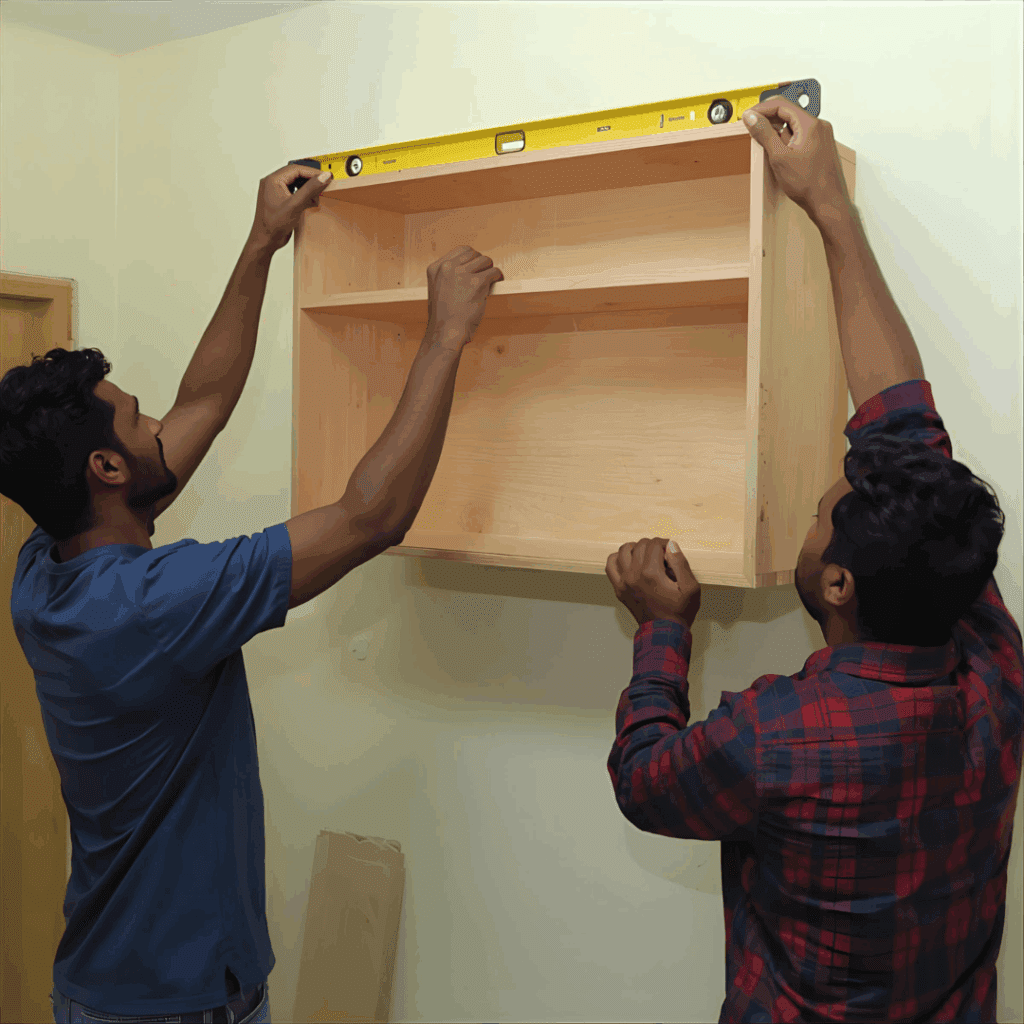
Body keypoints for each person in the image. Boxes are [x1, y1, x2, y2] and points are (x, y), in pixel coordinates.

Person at [1, 96, 1017, 1024]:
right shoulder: (992, 670)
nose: (158, 428)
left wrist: (263, 246)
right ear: (104, 469)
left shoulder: (45, 570)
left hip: (133, 976)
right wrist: (445, 336)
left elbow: (201, 409)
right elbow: (367, 515)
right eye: (135, 426)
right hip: (168, 999)